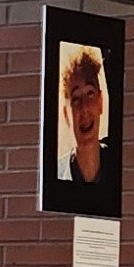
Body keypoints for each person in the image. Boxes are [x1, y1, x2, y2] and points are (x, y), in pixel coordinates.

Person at [55, 42, 110, 192]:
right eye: (76, 99)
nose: (84, 108)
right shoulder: (56, 175)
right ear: (66, 114)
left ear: (100, 102)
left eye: (90, 94)